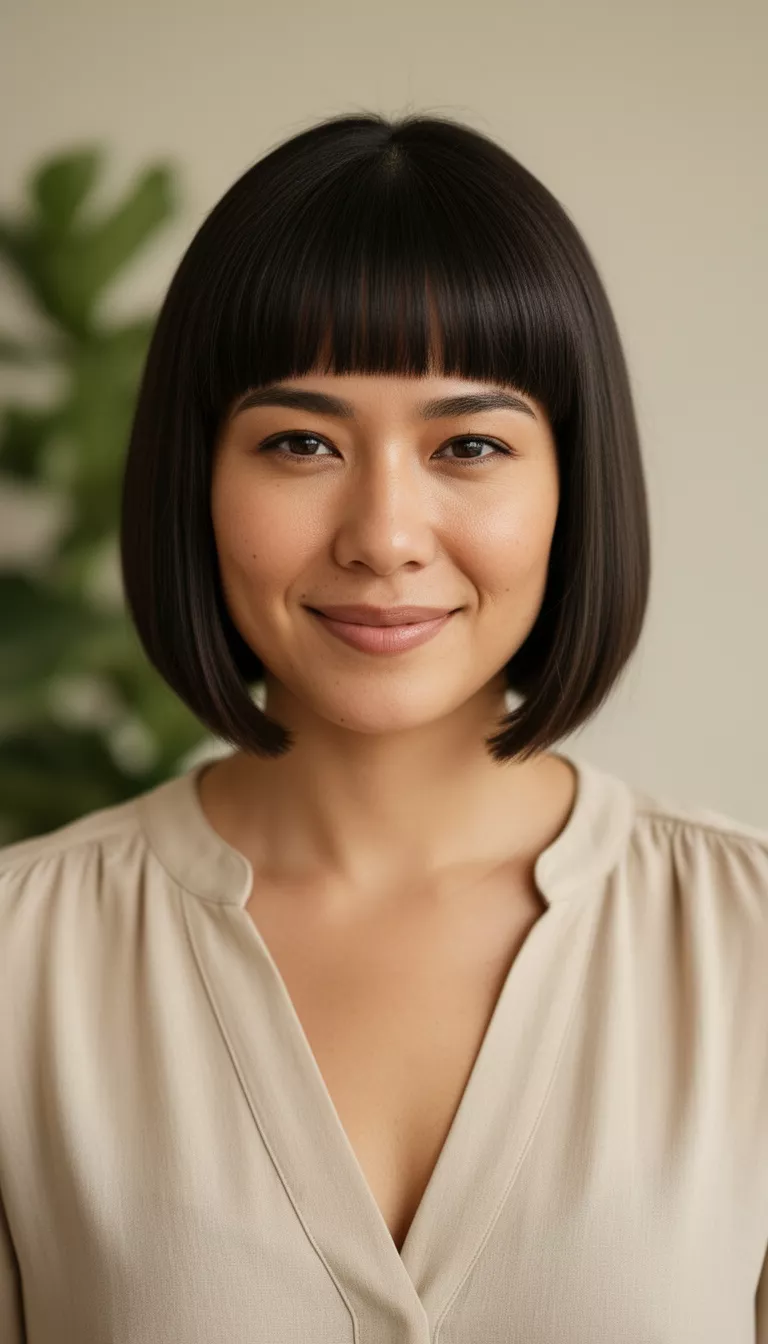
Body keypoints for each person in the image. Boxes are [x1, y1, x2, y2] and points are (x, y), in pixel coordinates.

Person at [1, 110, 766, 1344]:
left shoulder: (746, 955)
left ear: (574, 485)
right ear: (195, 475)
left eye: (470, 443)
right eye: (299, 442)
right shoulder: (21, 967)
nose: (385, 534)